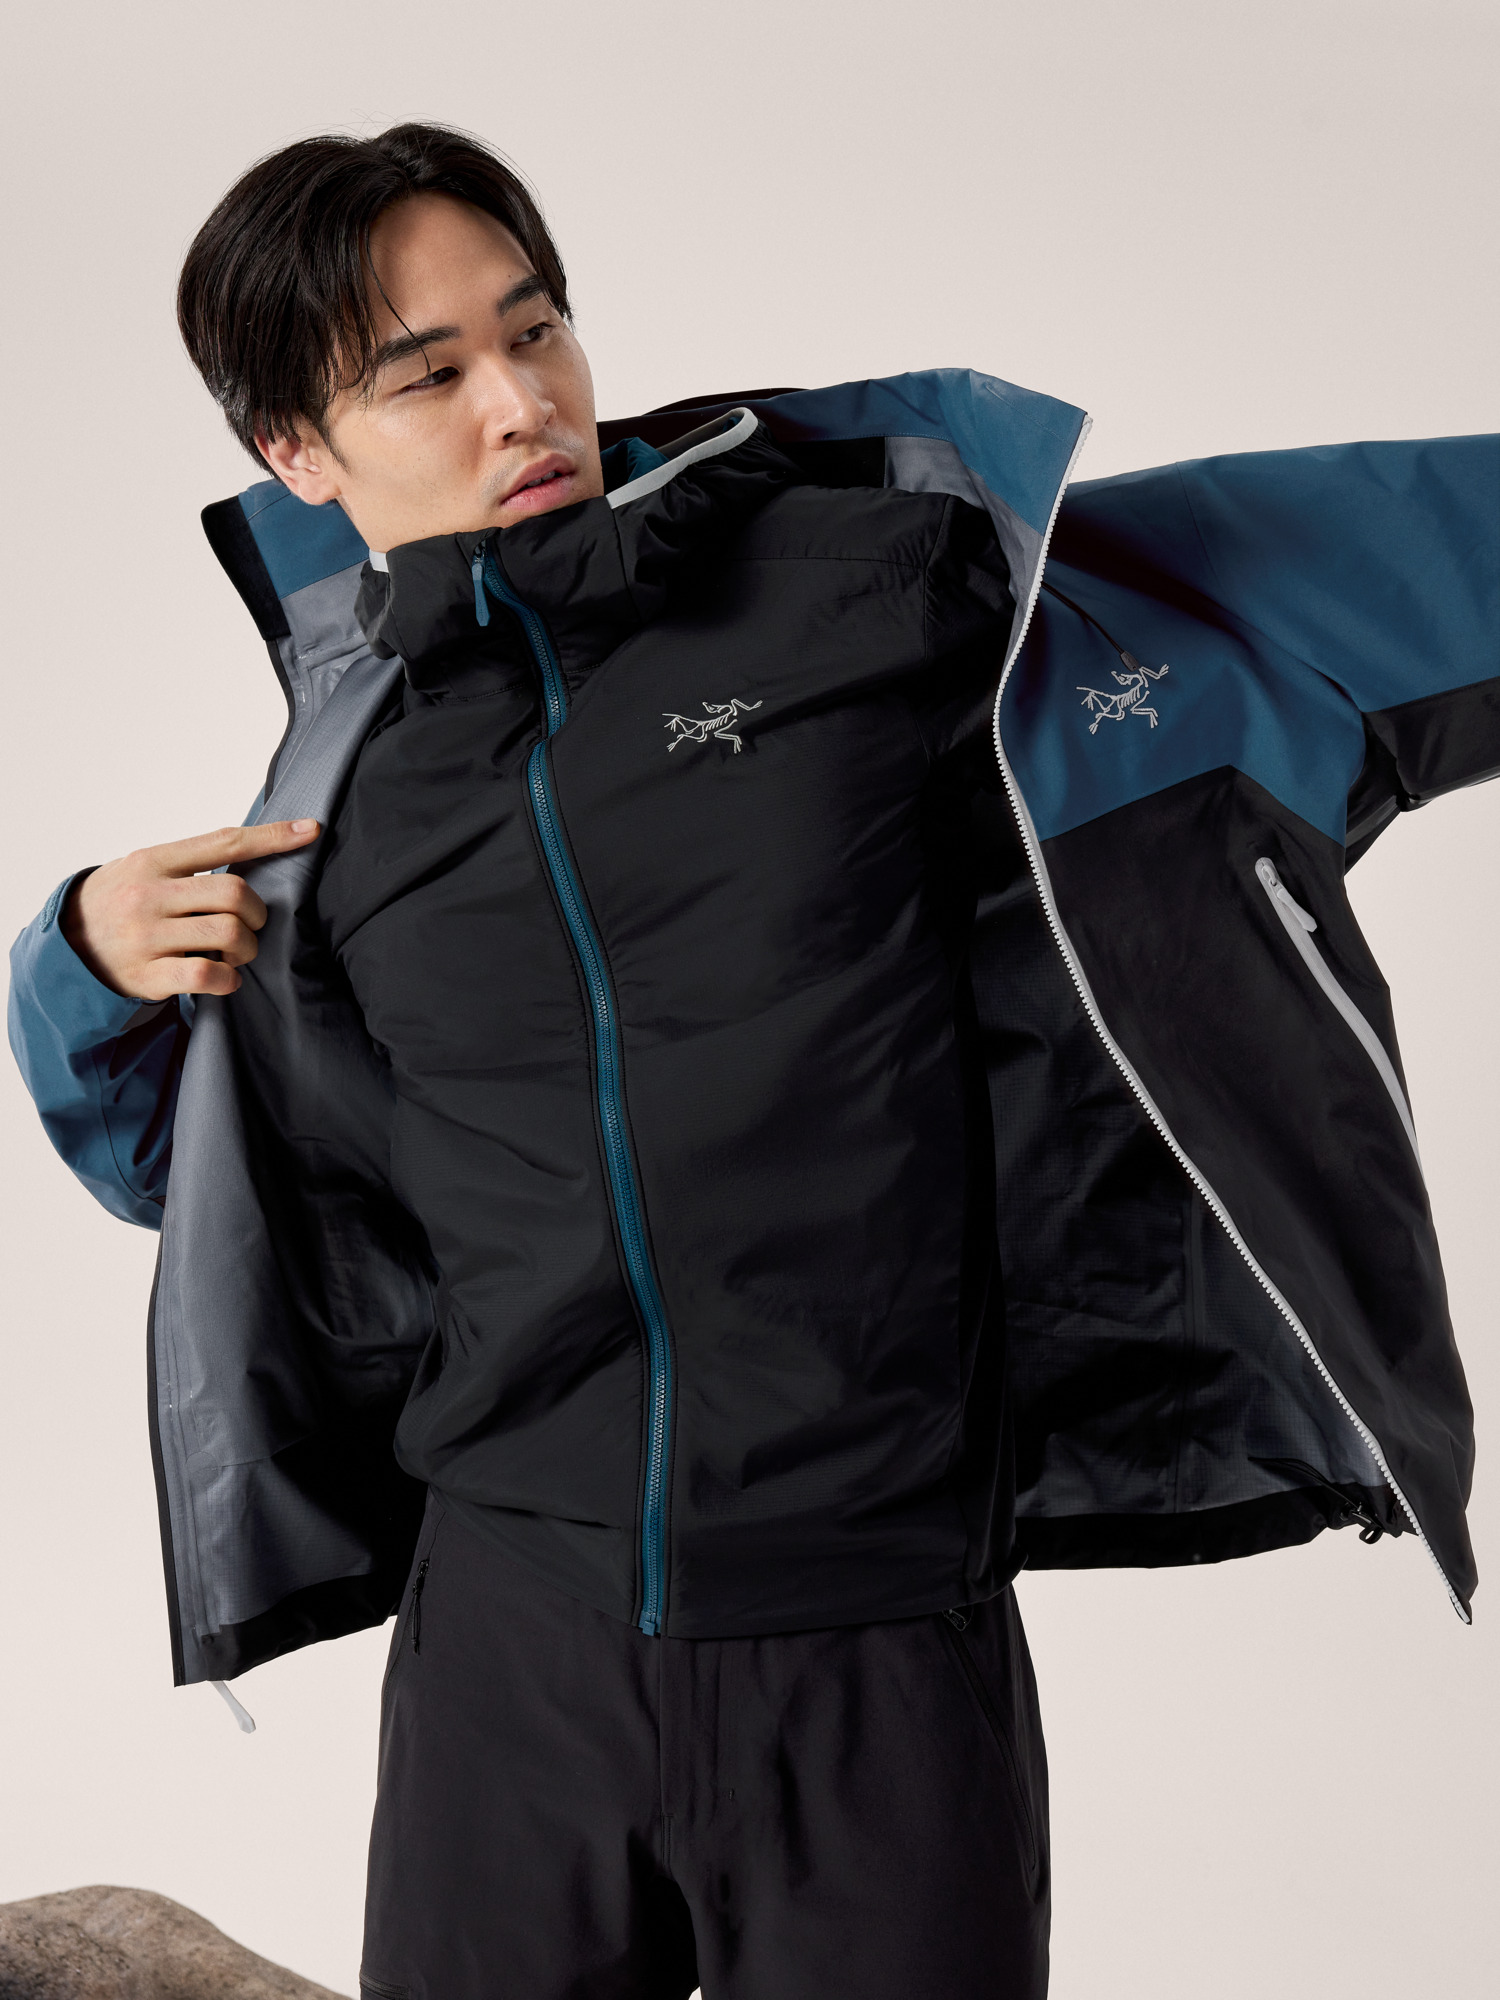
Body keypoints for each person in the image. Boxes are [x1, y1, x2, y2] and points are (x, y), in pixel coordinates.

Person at [7, 122, 1496, 2000]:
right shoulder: (347, 783)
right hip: (504, 1663)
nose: (525, 403)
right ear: (297, 454)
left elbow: (1395, 570)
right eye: (430, 375)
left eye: (536, 329)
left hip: (878, 1640)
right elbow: (219, 1189)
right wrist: (73, 965)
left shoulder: (870, 588)